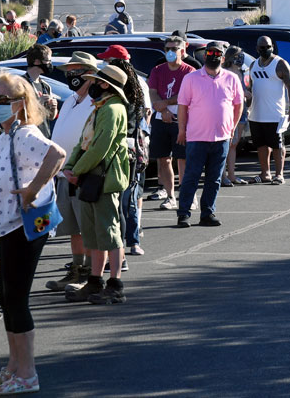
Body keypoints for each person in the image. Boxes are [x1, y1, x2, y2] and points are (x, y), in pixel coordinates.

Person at [0, 74, 66, 395]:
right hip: (6, 226)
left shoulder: (24, 134)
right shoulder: (4, 135)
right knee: (4, 298)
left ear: (20, 102)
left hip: (24, 227)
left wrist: (32, 190)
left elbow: (57, 154)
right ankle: (14, 365)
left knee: (17, 299)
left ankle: (27, 374)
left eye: (0, 99)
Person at [63, 65, 131, 305]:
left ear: (106, 85)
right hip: (90, 177)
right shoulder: (99, 108)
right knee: (92, 234)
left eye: (96, 81)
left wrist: (76, 171)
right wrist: (70, 167)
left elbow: (100, 148)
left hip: (105, 178)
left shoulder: (112, 109)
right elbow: (82, 143)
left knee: (109, 233)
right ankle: (94, 282)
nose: (91, 84)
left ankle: (115, 286)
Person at [44, 53, 99, 292]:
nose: (70, 75)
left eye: (75, 70)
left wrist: (79, 167)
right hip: (64, 174)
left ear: (88, 72)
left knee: (88, 228)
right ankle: (76, 270)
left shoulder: (97, 100)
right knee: (73, 228)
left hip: (83, 172)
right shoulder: (71, 99)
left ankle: (88, 275)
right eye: (69, 71)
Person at [175, 42, 244, 227]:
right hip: (196, 137)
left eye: (217, 53)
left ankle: (207, 213)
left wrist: (232, 128)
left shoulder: (232, 78)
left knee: (214, 179)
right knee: (191, 176)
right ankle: (184, 214)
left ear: (223, 58)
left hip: (221, 138)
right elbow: (182, 106)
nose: (213, 56)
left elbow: (238, 105)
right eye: (210, 53)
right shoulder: (191, 78)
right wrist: (182, 130)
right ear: (204, 56)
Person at [101, 53, 151, 258]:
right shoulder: (131, 98)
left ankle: (127, 244)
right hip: (131, 154)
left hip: (125, 155)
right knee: (126, 200)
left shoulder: (123, 102)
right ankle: (128, 244)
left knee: (125, 201)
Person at [148, 36, 195, 210]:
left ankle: (187, 195)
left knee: (182, 158)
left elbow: (186, 96)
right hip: (161, 119)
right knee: (164, 159)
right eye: (167, 48)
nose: (170, 52)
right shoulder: (157, 70)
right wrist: (162, 110)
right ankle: (170, 196)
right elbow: (152, 92)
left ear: (182, 51)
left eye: (174, 49)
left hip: (182, 121)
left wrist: (166, 104)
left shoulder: (189, 72)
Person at [248, 35, 290, 183]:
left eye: (268, 47)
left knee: (277, 145)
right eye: (262, 47)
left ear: (272, 47)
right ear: (257, 49)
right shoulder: (253, 65)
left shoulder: (280, 64)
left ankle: (279, 174)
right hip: (256, 114)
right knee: (261, 145)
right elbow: (251, 87)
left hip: (275, 114)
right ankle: (265, 173)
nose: (265, 50)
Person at [222, 46, 250, 186]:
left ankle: (232, 174)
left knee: (234, 145)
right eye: (238, 56)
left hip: (242, 111)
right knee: (226, 144)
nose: (241, 58)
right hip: (229, 112)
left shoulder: (240, 72)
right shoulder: (225, 73)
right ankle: (222, 176)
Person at [21, 44, 57, 139]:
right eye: (47, 60)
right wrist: (38, 102)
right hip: (27, 138)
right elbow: (18, 114)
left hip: (44, 137)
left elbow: (51, 117)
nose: (49, 63)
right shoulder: (20, 85)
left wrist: (53, 108)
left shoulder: (45, 86)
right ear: (37, 62)